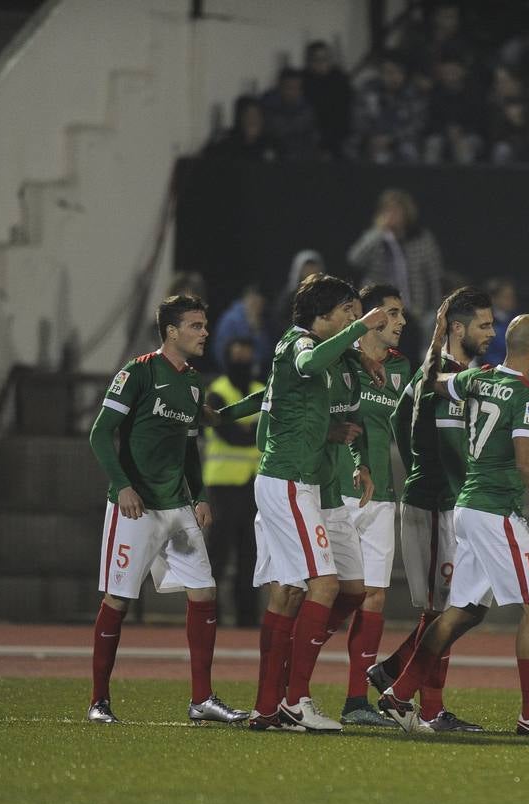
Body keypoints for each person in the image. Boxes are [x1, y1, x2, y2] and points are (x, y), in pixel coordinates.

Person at [377, 308, 529, 738]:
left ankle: (398, 695)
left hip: (467, 508)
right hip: (495, 510)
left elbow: (430, 383)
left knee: (465, 611)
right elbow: (526, 463)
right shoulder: (528, 396)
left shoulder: (478, 377)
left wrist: (436, 339)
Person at [85, 294, 246, 726]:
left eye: (204, 324)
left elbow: (190, 444)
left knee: (205, 592)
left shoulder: (193, 381)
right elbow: (100, 434)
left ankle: (201, 699)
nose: (205, 332)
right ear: (171, 331)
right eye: (196, 325)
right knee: (117, 598)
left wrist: (200, 495)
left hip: (177, 508)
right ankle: (99, 701)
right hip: (137, 509)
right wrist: (122, 487)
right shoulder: (137, 373)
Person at [245, 274, 388, 732]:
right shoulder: (297, 345)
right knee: (319, 586)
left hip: (308, 483)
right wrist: (357, 334)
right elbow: (307, 364)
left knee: (321, 590)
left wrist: (357, 354)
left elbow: (319, 404)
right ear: (323, 315)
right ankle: (294, 699)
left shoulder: (333, 354)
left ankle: (269, 705)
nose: (354, 317)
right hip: (288, 480)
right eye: (347, 311)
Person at [367, 286, 497, 733]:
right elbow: (434, 440)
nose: (491, 332)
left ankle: (395, 675)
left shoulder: (446, 371)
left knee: (451, 608)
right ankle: (424, 707)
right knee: (446, 609)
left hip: (442, 500)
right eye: (484, 323)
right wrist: (428, 470)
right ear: (457, 328)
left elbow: (402, 418)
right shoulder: (444, 375)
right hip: (440, 503)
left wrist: (417, 459)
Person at [331, 285, 414, 726]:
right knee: (324, 594)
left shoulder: (402, 369)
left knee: (375, 596)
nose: (401, 322)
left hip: (381, 497)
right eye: (394, 313)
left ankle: (355, 702)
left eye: (403, 315)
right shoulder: (340, 360)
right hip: (336, 493)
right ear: (371, 317)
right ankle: (288, 681)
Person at [203, 339, 266, 627]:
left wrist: (246, 429)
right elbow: (229, 433)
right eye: (237, 355)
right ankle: (209, 615)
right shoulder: (217, 392)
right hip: (223, 485)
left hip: (254, 486)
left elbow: (261, 431)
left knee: (250, 554)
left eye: (246, 355)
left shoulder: (259, 391)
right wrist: (250, 430)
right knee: (218, 552)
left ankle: (247, 617)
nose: (242, 361)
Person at [347, 188, 444, 360]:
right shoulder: (376, 238)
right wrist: (379, 232)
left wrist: (436, 307)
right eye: (388, 211)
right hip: (379, 310)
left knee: (417, 347)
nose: (392, 216)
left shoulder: (421, 239)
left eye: (397, 211)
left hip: (414, 310)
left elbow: (434, 277)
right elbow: (355, 258)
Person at [302, 41, 352, 157]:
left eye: (325, 59)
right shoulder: (302, 82)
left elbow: (345, 115)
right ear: (309, 62)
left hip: (339, 139)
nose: (321, 64)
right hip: (309, 140)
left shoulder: (340, 82)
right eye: (316, 60)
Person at [259, 67, 321, 161]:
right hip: (276, 162)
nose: (292, 93)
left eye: (296, 88)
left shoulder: (308, 113)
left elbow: (313, 140)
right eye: (288, 88)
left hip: (302, 163)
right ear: (280, 88)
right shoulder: (269, 111)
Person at [210, 284, 273, 377]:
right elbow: (220, 351)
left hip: (255, 377)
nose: (257, 305)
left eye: (260, 302)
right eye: (253, 301)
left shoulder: (262, 321)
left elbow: (267, 354)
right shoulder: (230, 319)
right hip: (230, 375)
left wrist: (256, 330)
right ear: (245, 299)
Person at [205, 96, 280, 163]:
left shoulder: (273, 144)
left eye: (256, 116)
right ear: (240, 119)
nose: (252, 120)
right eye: (248, 115)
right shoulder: (227, 145)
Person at [482, 277, 517, 365]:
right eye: (506, 297)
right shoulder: (484, 323)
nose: (511, 300)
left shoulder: (518, 319)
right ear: (494, 299)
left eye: (512, 296)